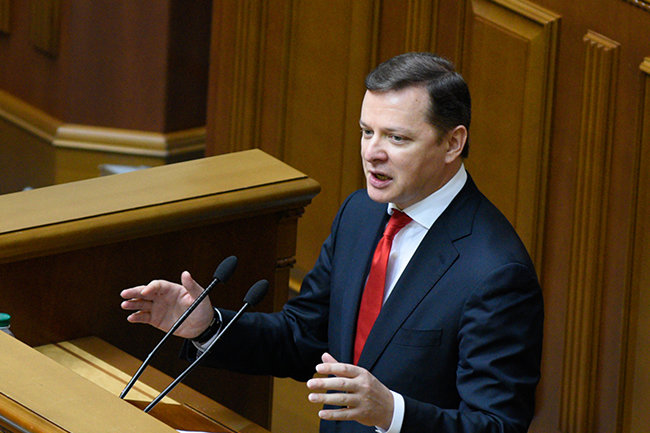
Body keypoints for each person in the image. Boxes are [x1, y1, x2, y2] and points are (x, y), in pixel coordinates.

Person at [121, 52, 543, 433]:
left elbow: (497, 425)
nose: (372, 152)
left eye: (396, 138)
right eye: (366, 132)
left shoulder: (495, 272)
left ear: (453, 143)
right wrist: (208, 326)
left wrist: (392, 413)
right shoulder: (360, 214)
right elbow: (302, 336)